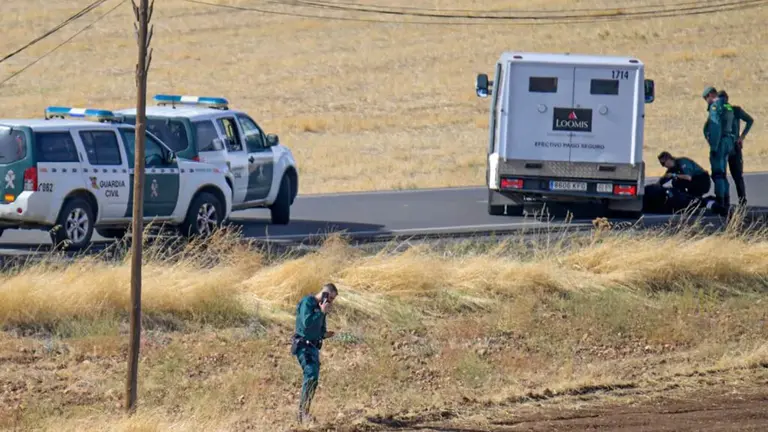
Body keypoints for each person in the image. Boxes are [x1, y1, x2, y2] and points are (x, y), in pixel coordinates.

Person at [291, 283, 338, 424]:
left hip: (313, 348)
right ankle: (302, 414)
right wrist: (321, 312)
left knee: (314, 379)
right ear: (324, 294)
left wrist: (325, 334)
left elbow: (320, 329)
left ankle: (304, 412)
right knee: (311, 375)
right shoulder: (308, 302)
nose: (331, 301)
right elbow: (307, 323)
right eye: (330, 298)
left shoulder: (321, 308)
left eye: (333, 299)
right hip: (303, 346)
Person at [716, 90, 753, 206]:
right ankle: (725, 202)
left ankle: (742, 202)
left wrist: (742, 137)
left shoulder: (735, 110)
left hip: (733, 148)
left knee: (737, 176)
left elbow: (750, 120)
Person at [701, 86, 736, 208]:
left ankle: (720, 201)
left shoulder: (715, 107)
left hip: (719, 143)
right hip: (728, 141)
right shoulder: (728, 106)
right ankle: (726, 199)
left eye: (706, 98)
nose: (707, 101)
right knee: (723, 173)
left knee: (718, 174)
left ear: (711, 95)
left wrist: (714, 147)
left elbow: (716, 128)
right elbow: (734, 126)